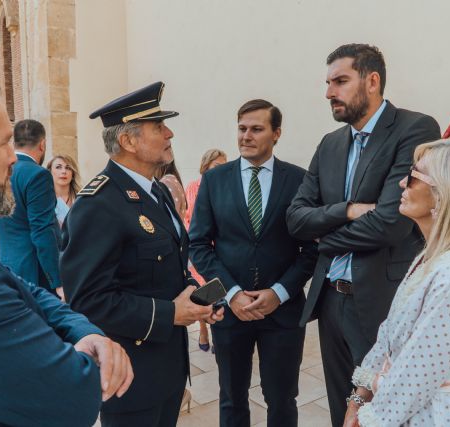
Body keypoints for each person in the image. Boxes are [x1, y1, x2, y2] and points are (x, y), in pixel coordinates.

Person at [0, 67, 133, 427]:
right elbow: (73, 397)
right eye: (4, 143)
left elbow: (21, 285)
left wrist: (84, 331)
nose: (14, 158)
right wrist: (78, 357)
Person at [285, 43, 441, 425]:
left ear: (372, 81)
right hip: (330, 302)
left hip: (382, 301)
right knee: (344, 405)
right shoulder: (330, 144)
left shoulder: (415, 128)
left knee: (385, 405)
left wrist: (324, 239)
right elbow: (295, 218)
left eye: (340, 81)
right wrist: (349, 211)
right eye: (327, 83)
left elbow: (391, 223)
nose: (328, 93)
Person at [60, 81, 224, 427]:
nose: (170, 134)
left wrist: (195, 304)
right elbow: (87, 299)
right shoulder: (98, 204)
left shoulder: (155, 192)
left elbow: (163, 273)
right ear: (128, 141)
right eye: (159, 127)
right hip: (131, 375)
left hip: (169, 366)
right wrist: (169, 314)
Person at [344, 140, 450, 426]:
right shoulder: (430, 258)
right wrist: (359, 397)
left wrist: (367, 419)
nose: (403, 182)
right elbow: (387, 337)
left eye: (414, 175)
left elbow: (413, 378)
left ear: (445, 193)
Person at [190, 99, 317, 427]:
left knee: (283, 397)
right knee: (231, 397)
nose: (246, 136)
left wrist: (279, 291)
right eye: (242, 128)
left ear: (276, 134)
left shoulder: (300, 181)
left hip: (284, 313)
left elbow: (311, 251)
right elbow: (199, 246)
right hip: (231, 312)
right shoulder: (215, 180)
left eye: (256, 129)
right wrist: (231, 293)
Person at [0, 119, 64, 299]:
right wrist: (57, 281)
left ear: (14, 142)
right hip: (36, 273)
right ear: (42, 144)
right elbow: (42, 230)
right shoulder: (38, 175)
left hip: (7, 266)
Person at [183, 148, 228, 352]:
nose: (222, 170)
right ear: (207, 166)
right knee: (202, 293)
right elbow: (187, 218)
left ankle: (218, 333)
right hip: (200, 249)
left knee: (218, 291)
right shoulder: (193, 188)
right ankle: (202, 330)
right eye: (218, 165)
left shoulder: (226, 188)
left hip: (220, 251)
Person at [47, 154, 81, 227]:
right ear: (50, 172)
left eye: (68, 168)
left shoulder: (81, 198)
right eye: (58, 167)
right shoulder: (43, 199)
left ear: (73, 174)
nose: (63, 171)